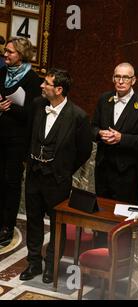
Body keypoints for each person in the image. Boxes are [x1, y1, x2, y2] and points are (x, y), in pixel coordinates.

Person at [19, 68, 92, 284]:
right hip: (34, 175)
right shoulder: (37, 105)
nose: (42, 86)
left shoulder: (78, 116)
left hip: (57, 180)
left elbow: (84, 150)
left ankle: (51, 266)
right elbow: (27, 134)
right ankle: (33, 263)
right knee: (33, 221)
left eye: (47, 83)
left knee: (57, 223)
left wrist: (63, 169)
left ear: (59, 89)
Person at [0, 37, 41, 247]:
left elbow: (33, 114)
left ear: (22, 55)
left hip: (17, 141)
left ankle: (7, 226)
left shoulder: (33, 80)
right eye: (5, 51)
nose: (5, 55)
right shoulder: (1, 73)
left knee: (11, 182)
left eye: (10, 52)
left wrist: (11, 108)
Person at [92, 62, 138, 206]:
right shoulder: (104, 99)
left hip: (128, 174)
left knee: (121, 219)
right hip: (103, 169)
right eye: (117, 77)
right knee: (101, 212)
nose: (120, 81)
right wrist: (100, 133)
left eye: (125, 77)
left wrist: (122, 138)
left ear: (133, 80)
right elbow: (92, 127)